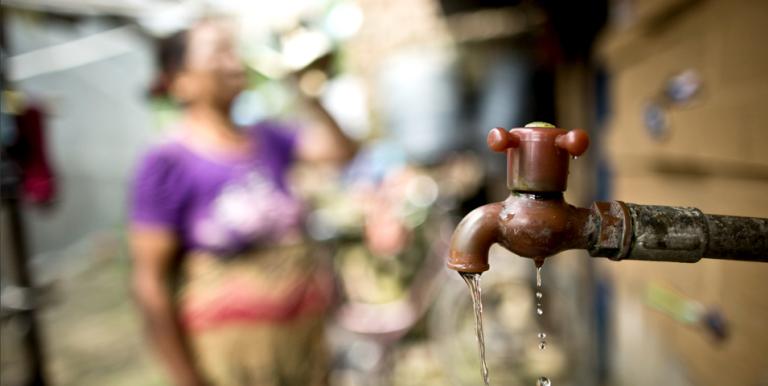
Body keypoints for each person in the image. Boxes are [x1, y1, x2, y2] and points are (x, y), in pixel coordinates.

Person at [129, 18, 354, 386]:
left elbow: (341, 152)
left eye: (234, 51)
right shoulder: (167, 163)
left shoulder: (268, 138)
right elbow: (150, 282)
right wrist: (186, 378)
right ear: (180, 80)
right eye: (218, 53)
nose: (235, 63)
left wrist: (310, 91)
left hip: (304, 347)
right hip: (230, 364)